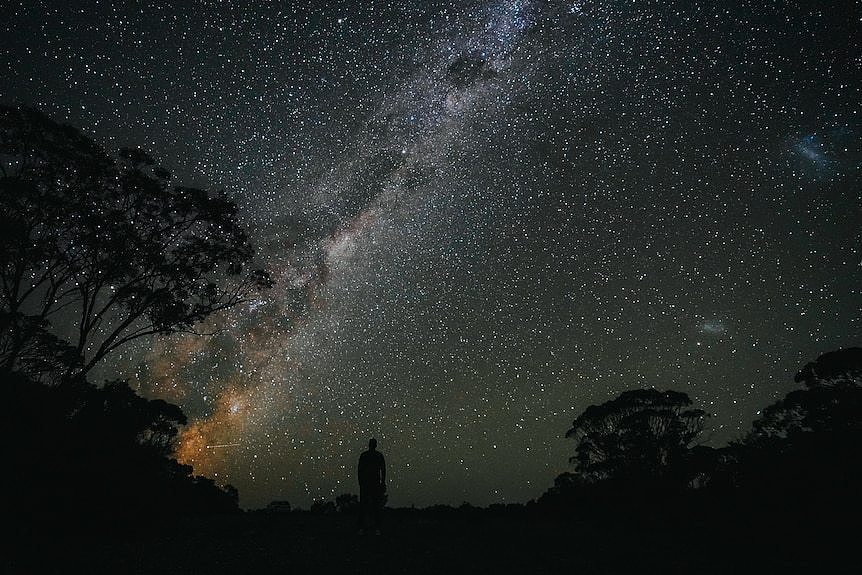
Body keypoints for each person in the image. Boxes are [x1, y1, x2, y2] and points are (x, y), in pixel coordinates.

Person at [357, 437, 386, 534]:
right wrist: (382, 482)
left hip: (368, 483)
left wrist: (360, 482)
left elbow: (360, 470)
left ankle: (364, 528)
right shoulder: (378, 455)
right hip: (372, 483)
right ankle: (374, 528)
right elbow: (383, 470)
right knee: (374, 506)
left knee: (367, 506)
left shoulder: (364, 455)